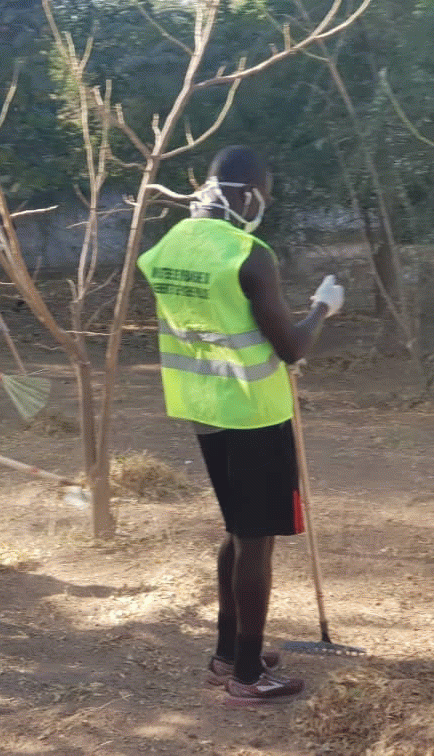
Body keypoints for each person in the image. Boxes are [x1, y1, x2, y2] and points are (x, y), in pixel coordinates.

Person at [136, 145, 344, 703]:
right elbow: (292, 348)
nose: (265, 207)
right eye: (266, 197)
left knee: (237, 530)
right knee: (256, 542)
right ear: (249, 195)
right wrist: (323, 308)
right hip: (254, 412)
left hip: (201, 406)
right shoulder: (248, 255)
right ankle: (249, 676)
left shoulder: (168, 247)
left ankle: (228, 654)